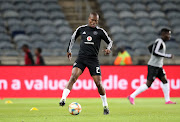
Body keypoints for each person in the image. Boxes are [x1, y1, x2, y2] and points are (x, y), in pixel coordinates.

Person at [59, 12, 113, 115]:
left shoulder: (100, 31)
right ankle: (63, 99)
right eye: (92, 20)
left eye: (96, 21)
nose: (94, 22)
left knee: (98, 83)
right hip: (81, 58)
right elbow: (73, 38)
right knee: (73, 76)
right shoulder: (81, 29)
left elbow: (110, 41)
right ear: (89, 19)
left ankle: (105, 106)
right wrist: (69, 49)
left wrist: (108, 49)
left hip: (93, 60)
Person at [128, 28, 176, 105]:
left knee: (165, 81)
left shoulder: (160, 42)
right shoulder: (159, 42)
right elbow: (155, 52)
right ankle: (132, 96)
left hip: (158, 66)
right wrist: (167, 55)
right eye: (168, 34)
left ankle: (167, 100)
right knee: (148, 84)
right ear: (163, 34)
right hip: (153, 66)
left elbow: (150, 48)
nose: (169, 36)